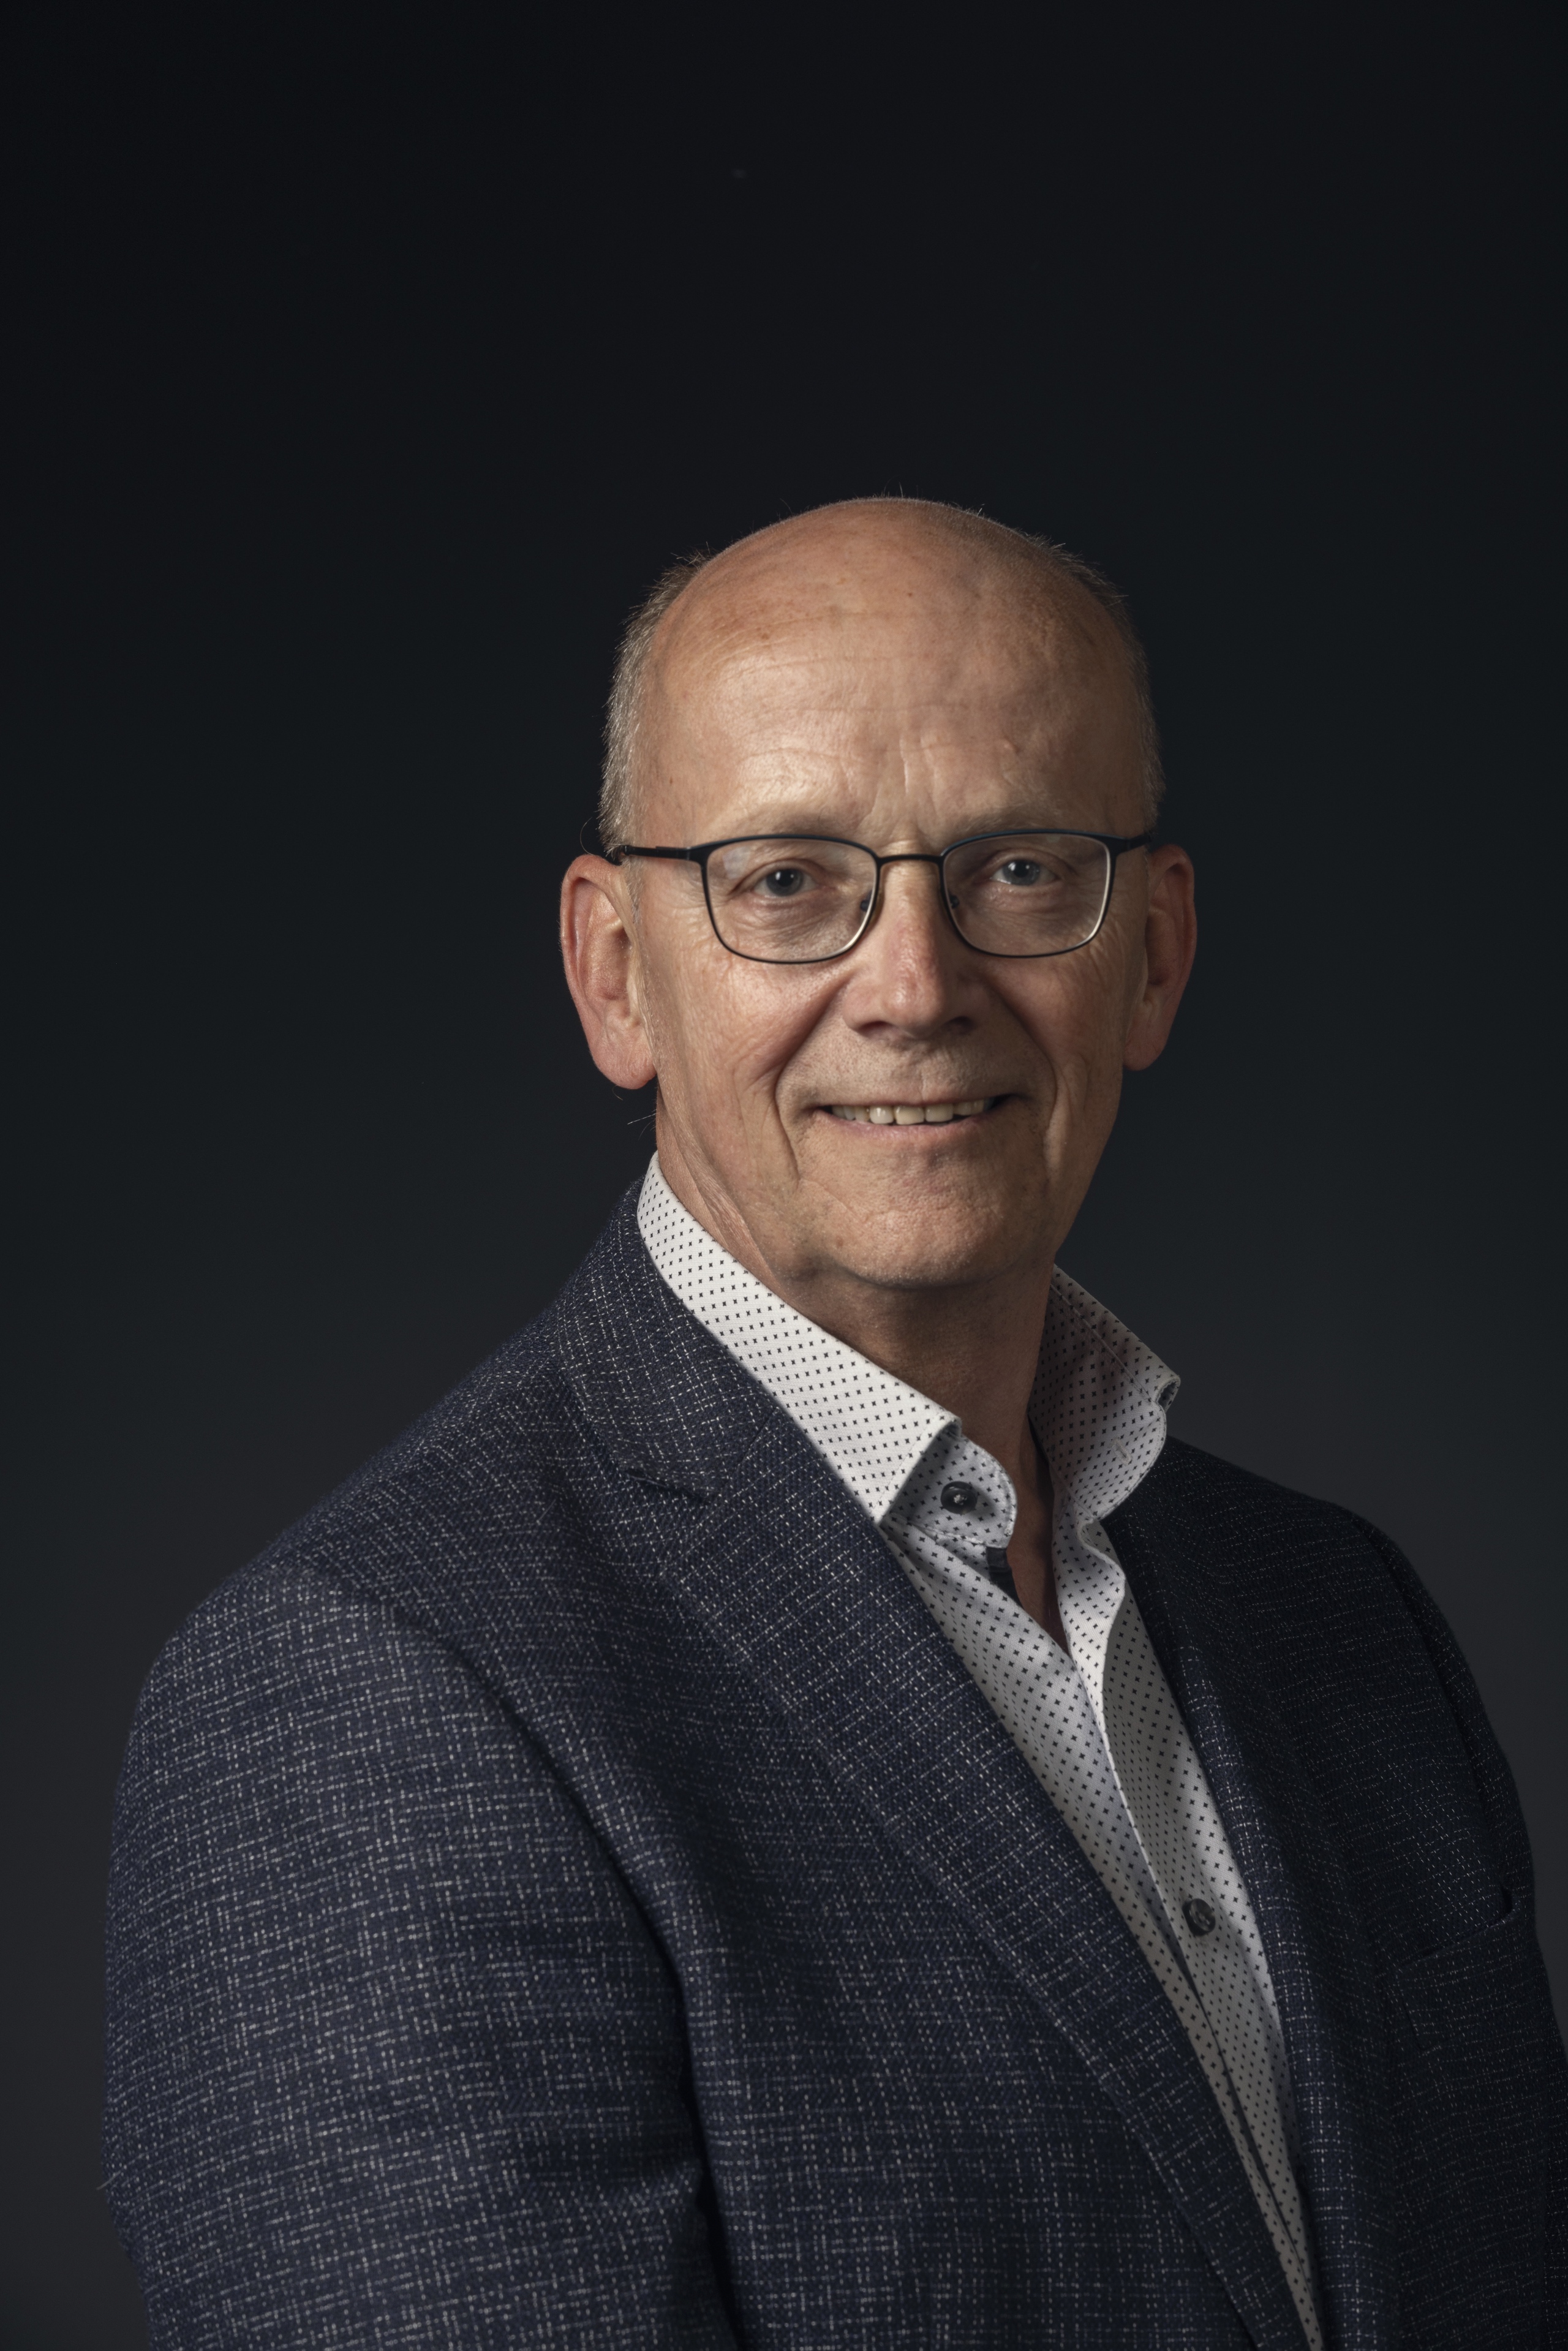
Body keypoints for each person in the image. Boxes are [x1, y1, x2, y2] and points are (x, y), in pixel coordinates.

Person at [104, 500, 1565, 2347]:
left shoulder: (1340, 1615)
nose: (917, 987)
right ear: (617, 973)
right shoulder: (366, 1707)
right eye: (788, 881)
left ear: (1155, 952)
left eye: (1020, 868)